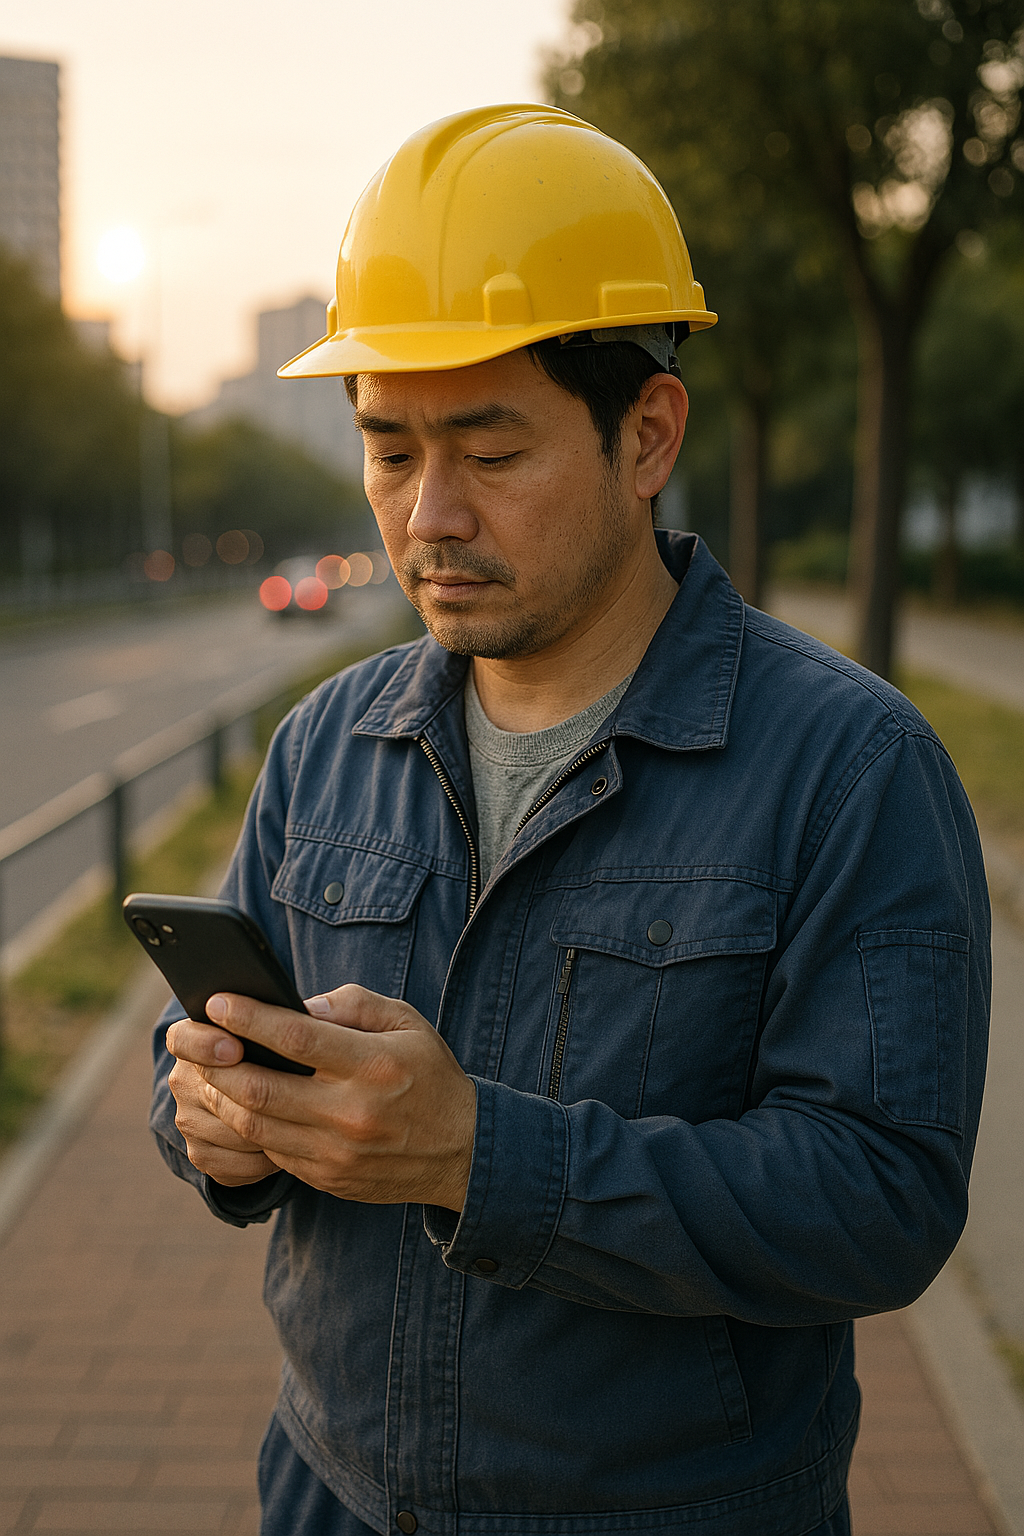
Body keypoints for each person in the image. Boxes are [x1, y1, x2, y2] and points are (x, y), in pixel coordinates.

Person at [151, 105, 990, 1536]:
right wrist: (215, 1128)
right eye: (390, 451)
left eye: (491, 453)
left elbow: (883, 1201)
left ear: (647, 434)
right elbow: (198, 1079)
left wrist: (481, 1155)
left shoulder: (851, 767)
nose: (429, 515)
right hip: (327, 1498)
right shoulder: (324, 746)